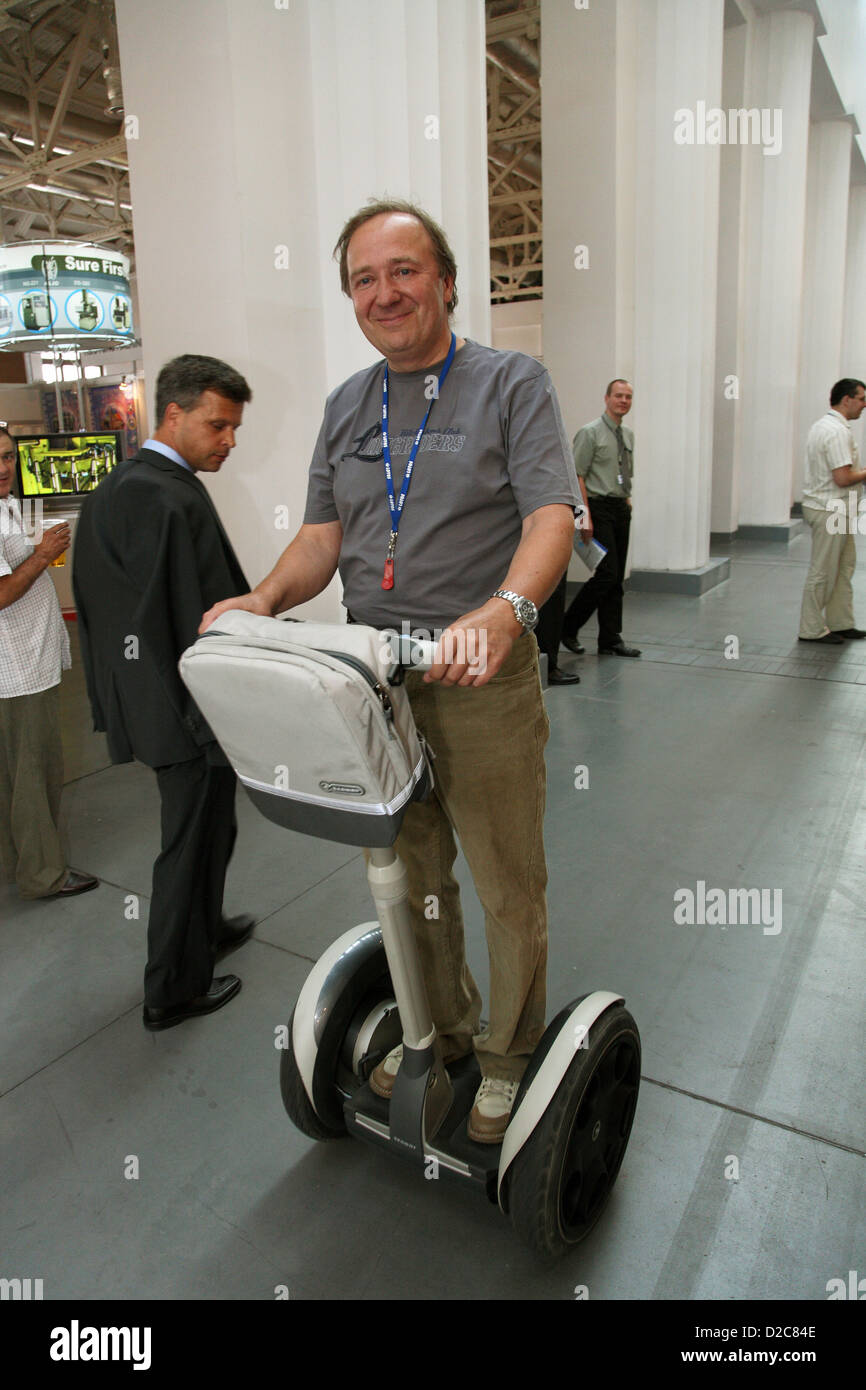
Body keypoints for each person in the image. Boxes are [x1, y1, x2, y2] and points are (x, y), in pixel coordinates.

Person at [201, 199, 578, 1142]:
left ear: (445, 281)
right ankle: (443, 1037)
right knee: (413, 875)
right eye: (364, 280)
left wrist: (507, 611)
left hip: (480, 675)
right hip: (375, 680)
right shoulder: (345, 405)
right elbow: (325, 536)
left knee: (504, 879)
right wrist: (264, 600)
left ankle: (508, 1056)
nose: (385, 293)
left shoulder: (510, 383)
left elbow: (550, 517)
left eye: (403, 271)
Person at [73, 356, 256, 1030]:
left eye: (235, 427)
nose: (229, 441)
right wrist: (205, 715)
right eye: (218, 425)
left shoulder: (129, 484)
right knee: (189, 839)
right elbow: (169, 620)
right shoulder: (161, 494)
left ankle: (203, 927)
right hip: (182, 707)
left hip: (163, 701)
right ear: (173, 414)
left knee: (214, 824)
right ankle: (172, 989)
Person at [0, 428, 98, 900]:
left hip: (28, 664)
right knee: (32, 778)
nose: (3, 468)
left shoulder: (9, 504)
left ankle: (18, 862)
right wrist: (42, 555)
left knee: (17, 776)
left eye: (6, 458)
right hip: (15, 674)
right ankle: (43, 875)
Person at [561, 379, 642, 658]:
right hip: (596, 507)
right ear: (607, 398)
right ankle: (567, 627)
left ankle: (610, 638)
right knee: (606, 574)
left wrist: (626, 500)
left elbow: (624, 471)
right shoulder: (590, 433)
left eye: (628, 397)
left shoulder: (627, 434)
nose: (624, 401)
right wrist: (583, 517)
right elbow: (577, 476)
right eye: (619, 396)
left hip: (620, 507)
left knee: (616, 577)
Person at [798, 378, 866, 645]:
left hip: (836, 508)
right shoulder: (836, 432)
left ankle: (841, 622)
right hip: (830, 510)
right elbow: (843, 478)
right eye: (861, 399)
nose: (864, 405)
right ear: (846, 399)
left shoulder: (823, 425)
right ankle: (811, 629)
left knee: (843, 567)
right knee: (824, 571)